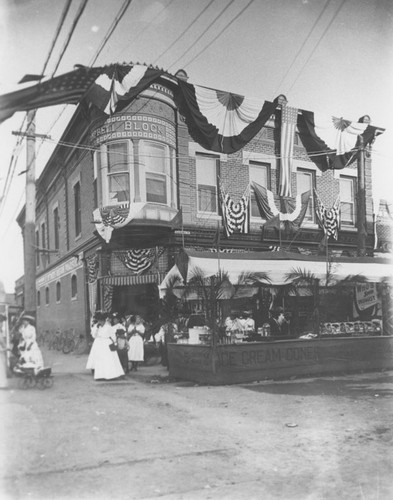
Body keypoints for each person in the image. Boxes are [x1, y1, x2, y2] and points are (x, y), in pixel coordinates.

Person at [86, 311, 124, 381]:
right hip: (98, 343)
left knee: (107, 359)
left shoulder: (108, 327)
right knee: (100, 359)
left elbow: (113, 336)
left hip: (106, 343)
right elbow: (94, 335)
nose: (100, 322)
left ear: (104, 320)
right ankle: (100, 375)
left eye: (101, 321)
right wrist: (97, 328)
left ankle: (110, 374)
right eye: (99, 321)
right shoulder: (96, 326)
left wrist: (114, 343)